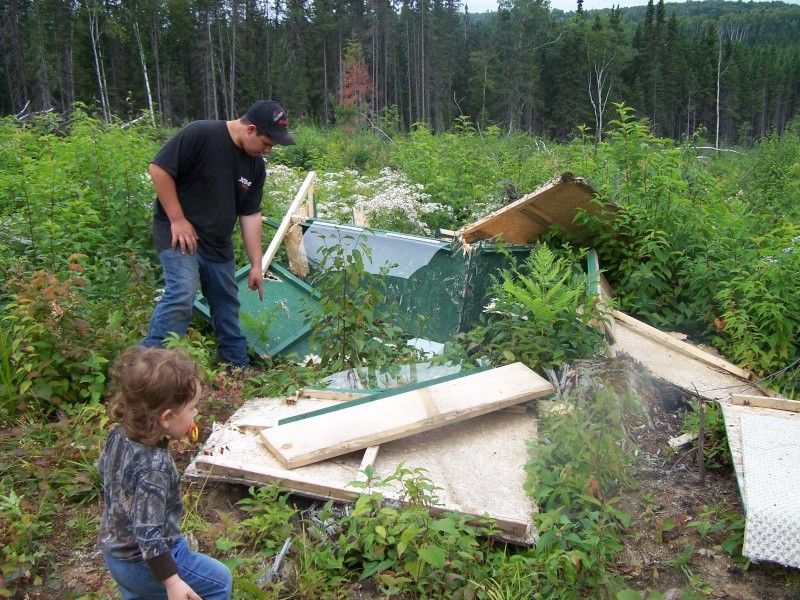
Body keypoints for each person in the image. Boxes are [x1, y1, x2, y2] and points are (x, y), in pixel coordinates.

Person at [141, 100, 296, 371]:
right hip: (179, 235)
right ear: (250, 130)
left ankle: (236, 367)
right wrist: (177, 219)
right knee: (182, 293)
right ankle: (147, 370)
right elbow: (159, 169)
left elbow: (249, 215)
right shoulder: (200, 134)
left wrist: (257, 265)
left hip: (217, 243)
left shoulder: (255, 167)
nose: (269, 151)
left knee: (226, 304)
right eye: (267, 143)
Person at [98, 346, 232, 600]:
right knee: (219, 581)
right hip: (145, 563)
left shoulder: (119, 434)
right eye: (192, 408)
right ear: (167, 417)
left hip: (115, 553)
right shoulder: (154, 467)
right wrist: (172, 583)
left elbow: (103, 470)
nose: (196, 413)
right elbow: (148, 534)